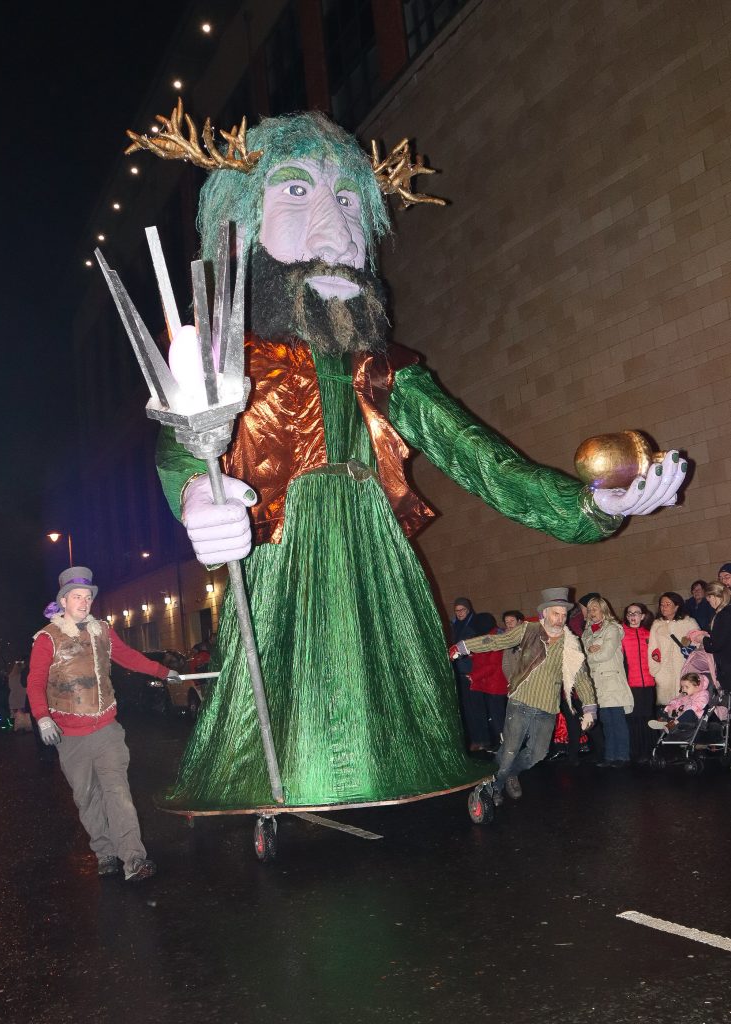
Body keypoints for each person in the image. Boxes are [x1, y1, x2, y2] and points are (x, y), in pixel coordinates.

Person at [127, 106, 686, 812]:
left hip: (373, 550)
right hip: (283, 550)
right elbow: (185, 441)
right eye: (296, 194)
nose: (336, 233)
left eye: (350, 204)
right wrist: (197, 495)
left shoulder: (386, 371)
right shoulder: (230, 361)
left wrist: (588, 505)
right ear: (239, 230)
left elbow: (479, 457)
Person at [27, 567, 179, 881]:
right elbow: (35, 682)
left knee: (117, 792)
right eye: (76, 597)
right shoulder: (47, 638)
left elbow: (129, 657)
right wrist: (43, 717)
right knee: (87, 797)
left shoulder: (102, 631)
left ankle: (133, 860)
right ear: (64, 601)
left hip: (107, 729)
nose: (83, 603)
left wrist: (163, 672)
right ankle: (105, 851)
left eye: (87, 597)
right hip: (70, 737)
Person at [453, 588, 597, 805]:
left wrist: (589, 708)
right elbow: (496, 642)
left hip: (547, 706)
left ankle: (510, 773)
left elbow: (582, 677)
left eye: (564, 614)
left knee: (538, 754)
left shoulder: (571, 643)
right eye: (556, 614)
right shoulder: (528, 630)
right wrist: (463, 647)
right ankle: (494, 787)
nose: (560, 619)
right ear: (545, 613)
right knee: (510, 750)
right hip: (520, 701)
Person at [582, 597, 633, 767]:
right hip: (597, 683)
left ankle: (623, 756)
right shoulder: (587, 631)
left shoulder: (612, 628)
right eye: (589, 610)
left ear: (604, 609)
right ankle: (610, 756)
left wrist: (591, 652)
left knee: (617, 720)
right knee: (606, 721)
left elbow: (607, 653)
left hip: (612, 680)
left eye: (595, 609)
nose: (591, 613)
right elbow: (581, 656)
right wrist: (593, 650)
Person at [465, 612, 508, 753]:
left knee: (498, 717)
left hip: (495, 684)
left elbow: (493, 665)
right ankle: (499, 743)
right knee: (494, 716)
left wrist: (474, 676)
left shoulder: (494, 639)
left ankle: (505, 745)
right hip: (489, 683)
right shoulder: (487, 636)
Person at [648, 593, 699, 709]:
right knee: (667, 705)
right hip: (664, 670)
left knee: (686, 702)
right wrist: (655, 670)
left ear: (676, 606)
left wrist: (688, 645)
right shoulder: (657, 625)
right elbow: (652, 648)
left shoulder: (689, 622)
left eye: (667, 604)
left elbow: (698, 644)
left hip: (685, 668)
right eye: (662, 604)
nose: (664, 607)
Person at [621, 602, 657, 763]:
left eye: (636, 613)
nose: (632, 616)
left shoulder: (649, 634)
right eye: (629, 613)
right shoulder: (621, 634)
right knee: (633, 718)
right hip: (630, 684)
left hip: (649, 683)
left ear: (643, 616)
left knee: (648, 717)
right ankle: (635, 751)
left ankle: (649, 751)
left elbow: (657, 655)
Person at [687, 581, 731, 693]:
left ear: (714, 596)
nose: (709, 602)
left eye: (709, 599)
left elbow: (715, 645)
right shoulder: (724, 613)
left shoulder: (724, 614)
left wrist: (702, 639)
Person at [449, 598, 479, 750]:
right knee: (464, 708)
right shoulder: (454, 627)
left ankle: (478, 739)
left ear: (468, 610)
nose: (460, 613)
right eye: (457, 610)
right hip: (458, 671)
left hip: (469, 672)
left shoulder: (472, 626)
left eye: (462, 610)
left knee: (473, 707)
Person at [500, 610, 525, 685]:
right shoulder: (507, 639)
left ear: (519, 621)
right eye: (507, 622)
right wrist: (511, 680)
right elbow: (505, 663)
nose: (509, 624)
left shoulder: (529, 635)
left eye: (512, 620)